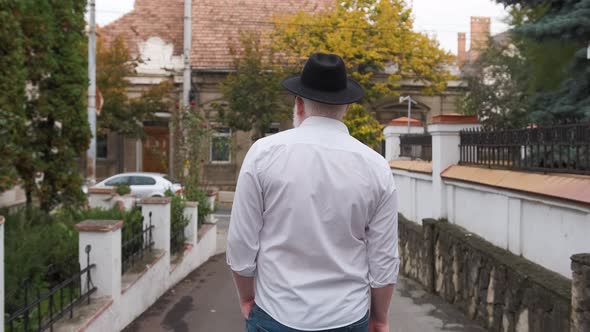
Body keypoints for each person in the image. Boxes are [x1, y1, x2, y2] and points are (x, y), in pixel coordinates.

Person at [227, 53, 399, 332]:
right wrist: (379, 318)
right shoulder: (376, 167)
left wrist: (247, 297)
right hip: (346, 316)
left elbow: (241, 244)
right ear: (346, 107)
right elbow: (384, 259)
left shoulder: (263, 154)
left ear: (298, 104)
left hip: (276, 313)